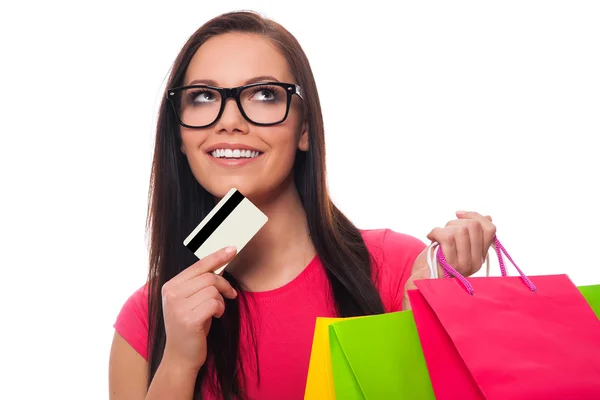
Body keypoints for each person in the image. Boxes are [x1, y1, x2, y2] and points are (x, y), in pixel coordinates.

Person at [108, 10, 497, 400]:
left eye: (264, 94)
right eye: (204, 96)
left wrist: (421, 320)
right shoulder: (146, 319)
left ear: (305, 129)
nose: (228, 121)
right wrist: (177, 363)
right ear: (178, 134)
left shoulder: (396, 269)